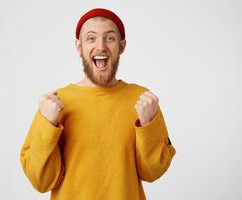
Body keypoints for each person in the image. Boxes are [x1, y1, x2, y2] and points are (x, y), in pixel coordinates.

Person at [20, 8, 176, 200]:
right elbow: (41, 181)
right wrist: (48, 124)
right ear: (79, 47)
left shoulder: (143, 101)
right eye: (91, 38)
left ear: (122, 45)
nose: (101, 46)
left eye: (110, 38)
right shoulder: (55, 103)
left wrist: (147, 125)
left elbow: (153, 172)